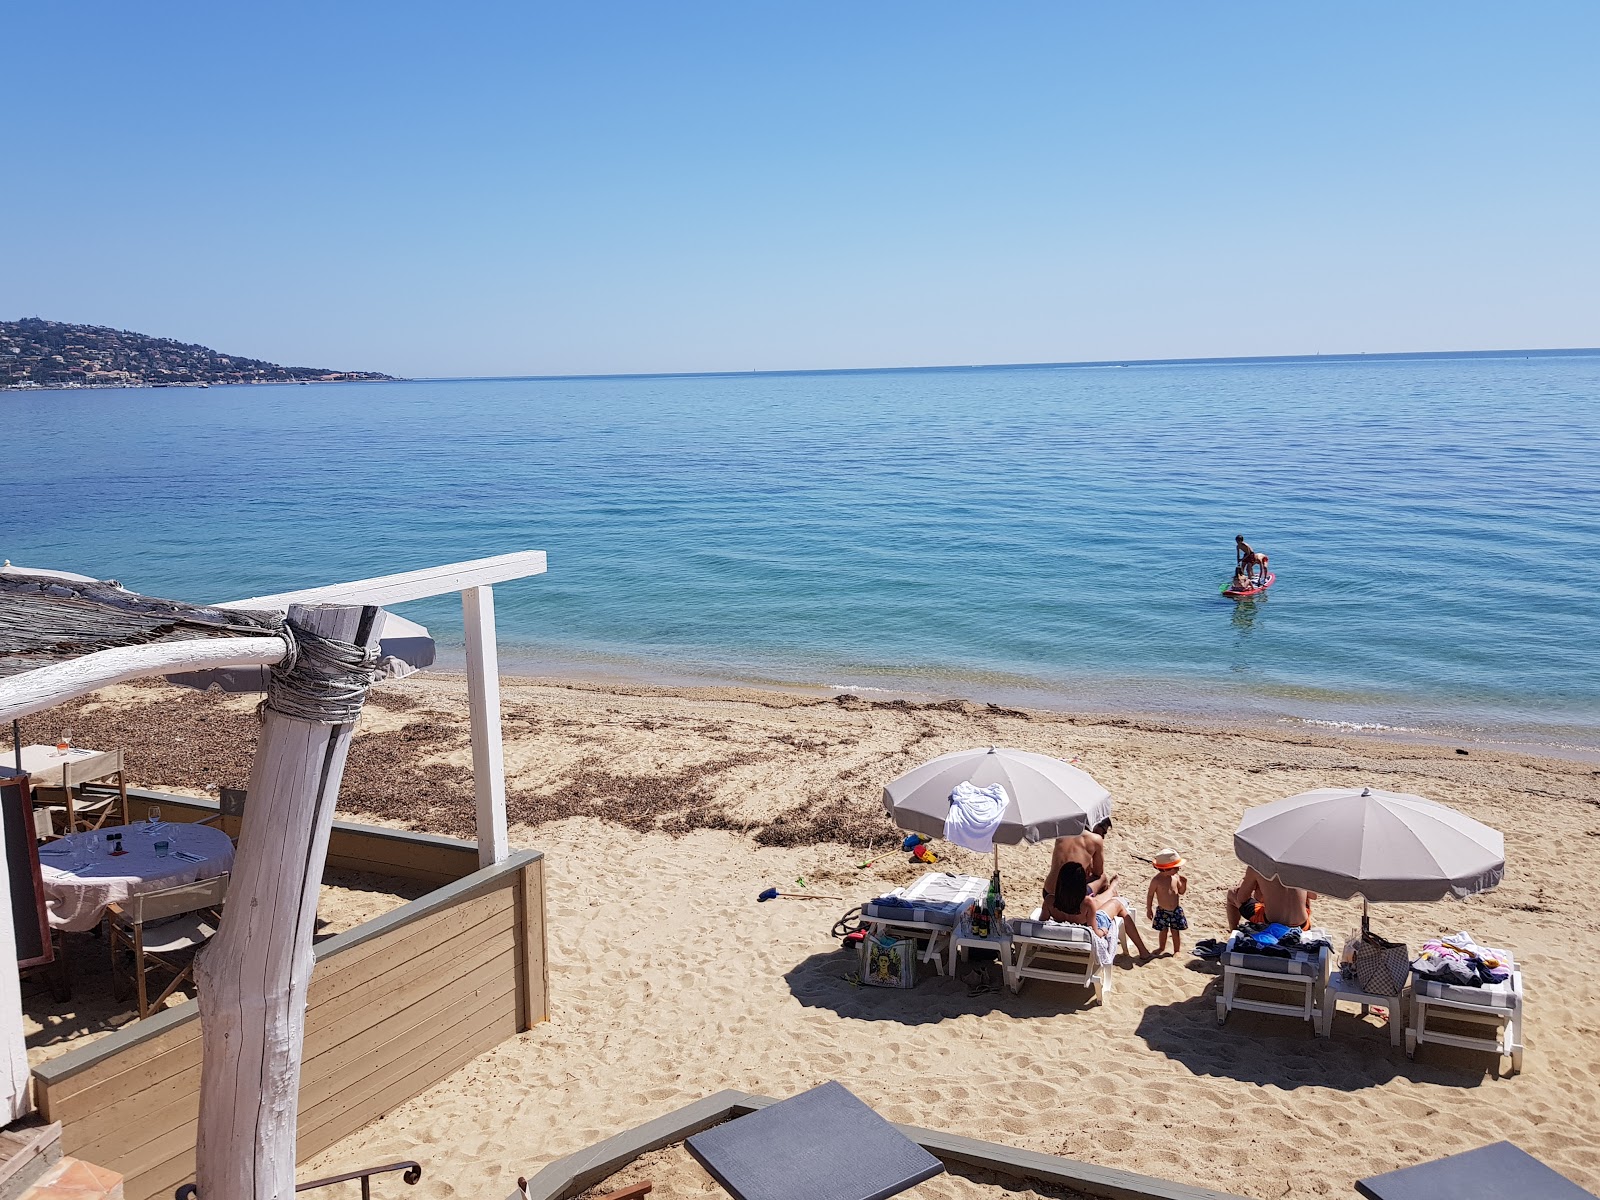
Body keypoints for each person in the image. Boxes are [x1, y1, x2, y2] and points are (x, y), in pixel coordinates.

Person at [1047, 861, 1151, 959]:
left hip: (1073, 920)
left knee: (1095, 901)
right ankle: (1143, 952)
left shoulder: (1050, 900)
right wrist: (1103, 931)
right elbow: (1095, 932)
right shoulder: (1087, 903)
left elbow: (1042, 921)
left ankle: (1111, 890)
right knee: (1117, 904)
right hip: (1086, 925)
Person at [1044, 817, 1116, 912]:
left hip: (1048, 892)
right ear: (1095, 824)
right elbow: (1098, 872)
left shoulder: (1063, 832)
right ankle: (1110, 892)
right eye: (1103, 832)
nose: (1103, 836)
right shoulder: (1096, 839)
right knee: (1102, 878)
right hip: (1072, 899)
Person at [1225, 864, 1314, 932]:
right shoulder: (1300, 866)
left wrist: (1249, 885)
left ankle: (1233, 932)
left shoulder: (1257, 866)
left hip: (1271, 925)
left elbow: (1242, 898)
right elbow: (1313, 896)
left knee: (1232, 893)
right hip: (1303, 925)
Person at [1145, 848, 1189, 955]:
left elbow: (1181, 892)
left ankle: (1176, 950)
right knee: (1163, 930)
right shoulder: (1156, 881)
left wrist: (1184, 883)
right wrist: (1149, 909)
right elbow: (1150, 895)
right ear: (1166, 869)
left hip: (1175, 910)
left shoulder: (1175, 877)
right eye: (1176, 868)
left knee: (1175, 931)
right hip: (1162, 910)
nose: (1178, 869)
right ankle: (1161, 947)